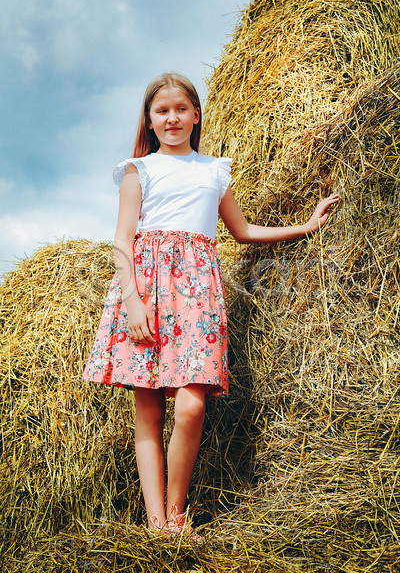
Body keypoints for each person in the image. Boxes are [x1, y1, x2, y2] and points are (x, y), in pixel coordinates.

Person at [82, 72, 339, 538]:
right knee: (149, 411)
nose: (172, 117)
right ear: (150, 120)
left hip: (198, 295)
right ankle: (160, 525)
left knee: (191, 407)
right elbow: (122, 240)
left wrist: (306, 227)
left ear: (196, 115)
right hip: (146, 292)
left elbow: (242, 231)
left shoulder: (213, 170)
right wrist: (133, 302)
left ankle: (177, 515)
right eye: (162, 111)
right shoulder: (138, 170)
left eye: (181, 109)